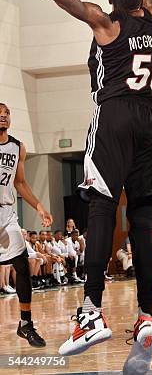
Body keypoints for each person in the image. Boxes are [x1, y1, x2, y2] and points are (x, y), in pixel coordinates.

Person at [0, 0, 152, 371]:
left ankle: (91, 310)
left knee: (99, 209)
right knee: (141, 222)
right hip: (151, 124)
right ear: (139, 3)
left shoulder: (106, 24)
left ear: (113, 3)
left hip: (113, 119)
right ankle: (147, 315)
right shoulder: (150, 20)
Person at [0, 102, 52, 346]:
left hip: (7, 214)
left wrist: (40, 207)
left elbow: (20, 182)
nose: (3, 116)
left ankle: (26, 324)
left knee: (22, 264)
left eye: (7, 113)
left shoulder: (17, 147)